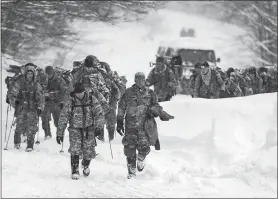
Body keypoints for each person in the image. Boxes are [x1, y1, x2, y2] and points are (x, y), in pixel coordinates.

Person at [56, 83, 105, 180]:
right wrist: (60, 133)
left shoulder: (91, 100)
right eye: (77, 93)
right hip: (75, 129)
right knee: (75, 149)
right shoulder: (71, 102)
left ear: (84, 91)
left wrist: (99, 126)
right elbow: (63, 117)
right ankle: (75, 170)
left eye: (81, 92)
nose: (79, 95)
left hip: (89, 129)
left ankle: (85, 164)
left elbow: (99, 113)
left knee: (89, 151)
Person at [116, 72, 159, 179]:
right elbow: (121, 107)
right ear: (135, 80)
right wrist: (119, 121)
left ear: (145, 81)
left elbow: (156, 106)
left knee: (144, 148)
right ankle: (131, 172)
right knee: (129, 149)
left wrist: (153, 112)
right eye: (138, 80)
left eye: (142, 80)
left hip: (145, 127)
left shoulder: (150, 93)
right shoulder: (128, 93)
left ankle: (141, 159)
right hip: (130, 125)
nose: (140, 82)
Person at [8, 64, 45, 151]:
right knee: (19, 127)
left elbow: (41, 98)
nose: (29, 75)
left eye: (31, 74)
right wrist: (15, 103)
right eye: (28, 73)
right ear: (25, 74)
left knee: (32, 128)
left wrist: (40, 108)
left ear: (34, 74)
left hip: (33, 109)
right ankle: (17, 142)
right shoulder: (20, 82)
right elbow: (12, 94)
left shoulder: (37, 85)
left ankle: (30, 145)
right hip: (21, 108)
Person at [41, 66, 67, 139]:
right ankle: (47, 134)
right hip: (46, 103)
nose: (48, 76)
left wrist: (52, 94)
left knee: (57, 121)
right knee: (44, 118)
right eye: (47, 74)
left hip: (57, 103)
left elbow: (65, 93)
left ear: (53, 73)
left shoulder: (59, 80)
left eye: (50, 74)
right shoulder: (43, 80)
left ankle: (59, 134)